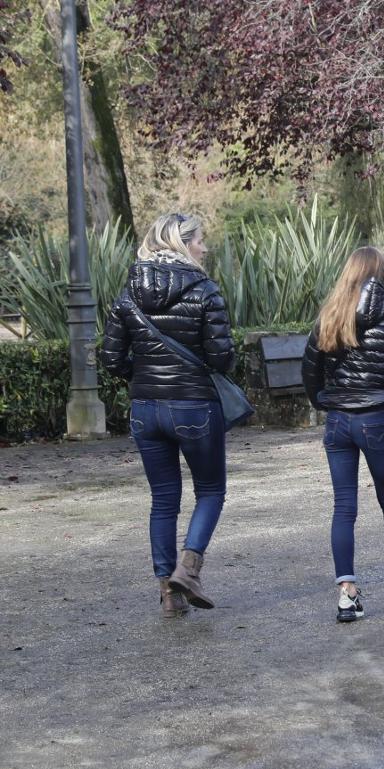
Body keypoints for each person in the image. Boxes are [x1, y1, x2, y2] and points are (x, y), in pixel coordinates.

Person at [100, 213, 234, 617]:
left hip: (145, 409)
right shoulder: (205, 291)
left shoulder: (128, 294)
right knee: (210, 491)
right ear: (181, 243)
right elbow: (222, 359)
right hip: (194, 406)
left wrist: (141, 378)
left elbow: (110, 358)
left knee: (163, 500)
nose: (205, 248)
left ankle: (169, 594)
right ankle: (189, 570)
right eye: (200, 241)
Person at [301, 247, 384, 622]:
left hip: (338, 421)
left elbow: (309, 370)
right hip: (377, 420)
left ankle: (347, 595)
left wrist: (325, 402)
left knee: (344, 506)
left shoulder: (330, 316)